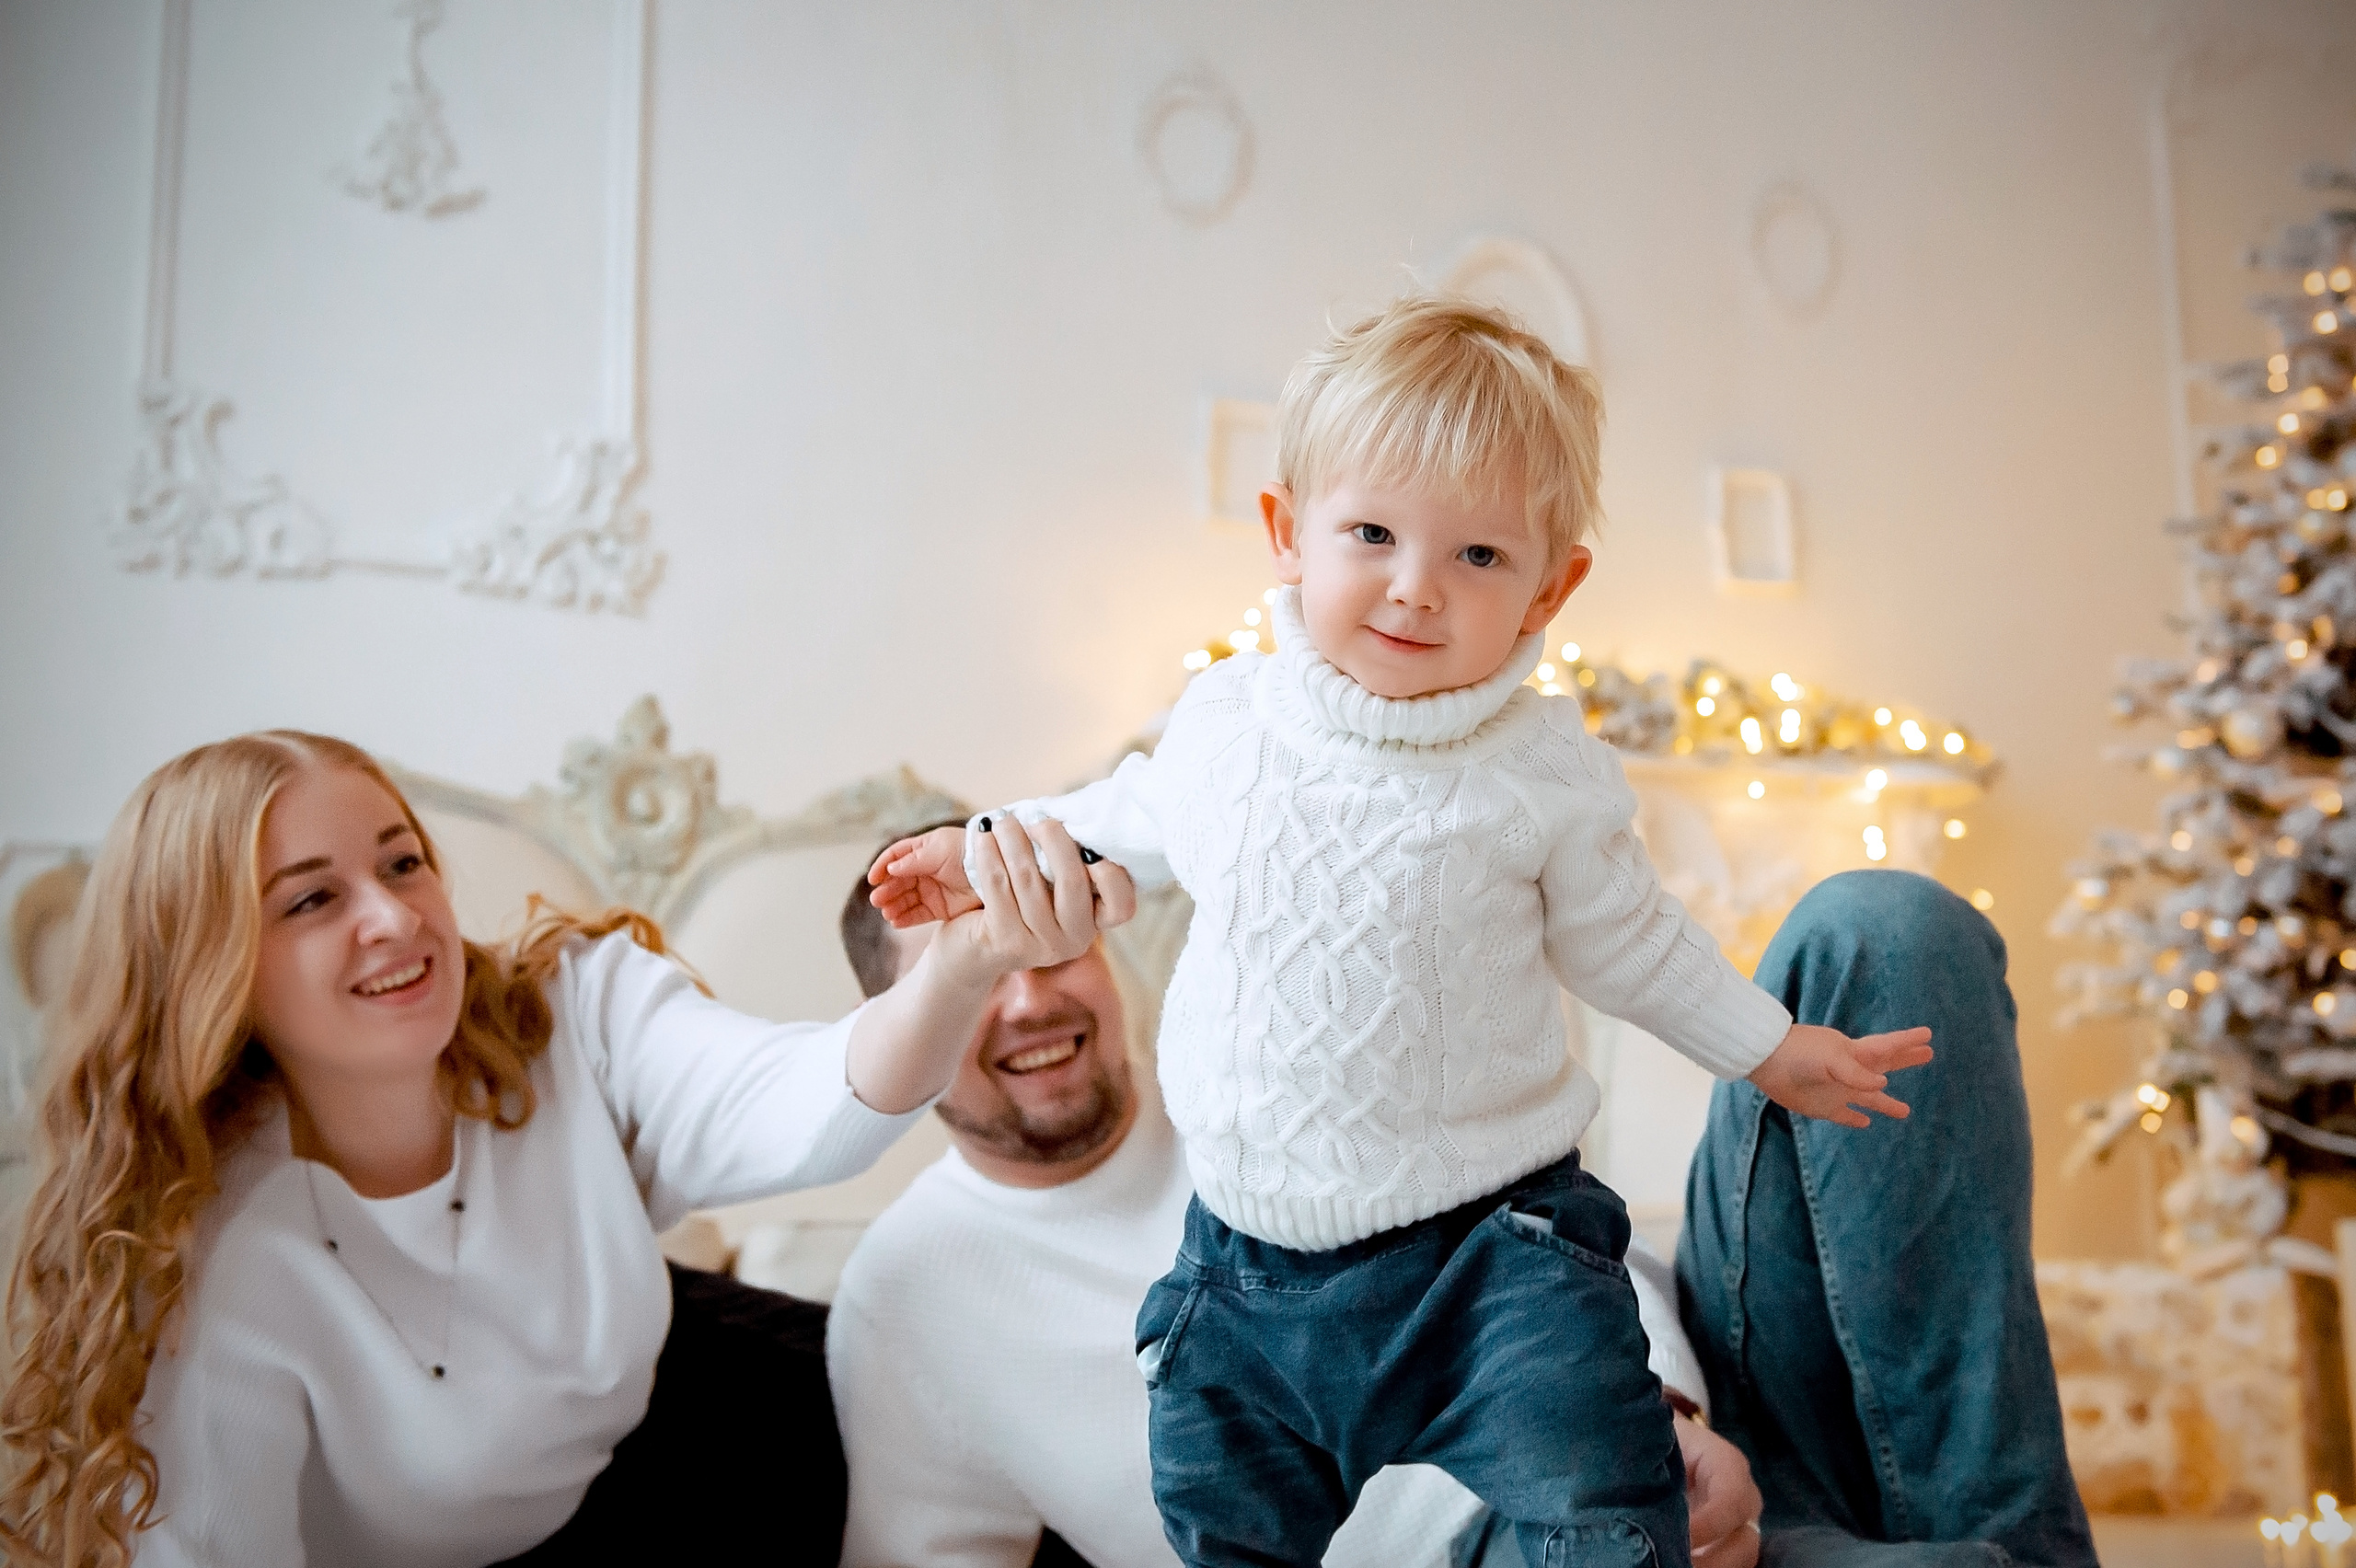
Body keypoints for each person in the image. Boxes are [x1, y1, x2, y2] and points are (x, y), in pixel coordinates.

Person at [869, 296, 1934, 1567]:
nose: (1416, 588)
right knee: (1215, 1503)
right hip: (1249, 1268)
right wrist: (974, 849)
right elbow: (1112, 821)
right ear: (1287, 533)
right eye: (1371, 534)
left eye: (1478, 556)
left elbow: (1632, 943)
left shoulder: (1540, 769)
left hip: (1491, 1255)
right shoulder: (1226, 725)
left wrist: (1768, 1047)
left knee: (1601, 1489)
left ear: (1551, 588)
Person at [0, 731, 1130, 1568]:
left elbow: (804, 1106)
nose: (393, 918)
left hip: (682, 1398)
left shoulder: (569, 1008)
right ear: (212, 963)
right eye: (311, 902)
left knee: (997, 1433)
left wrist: (962, 966)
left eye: (402, 864)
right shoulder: (204, 1259)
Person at [827, 836, 1766, 1568]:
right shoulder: (906, 1292)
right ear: (894, 1030)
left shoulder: (1287, 1080)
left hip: (1611, 1458)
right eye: (968, 973)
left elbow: (1558, 1234)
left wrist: (1662, 1413)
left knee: (1844, 935)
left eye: (1050, 950)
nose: (1028, 1003)